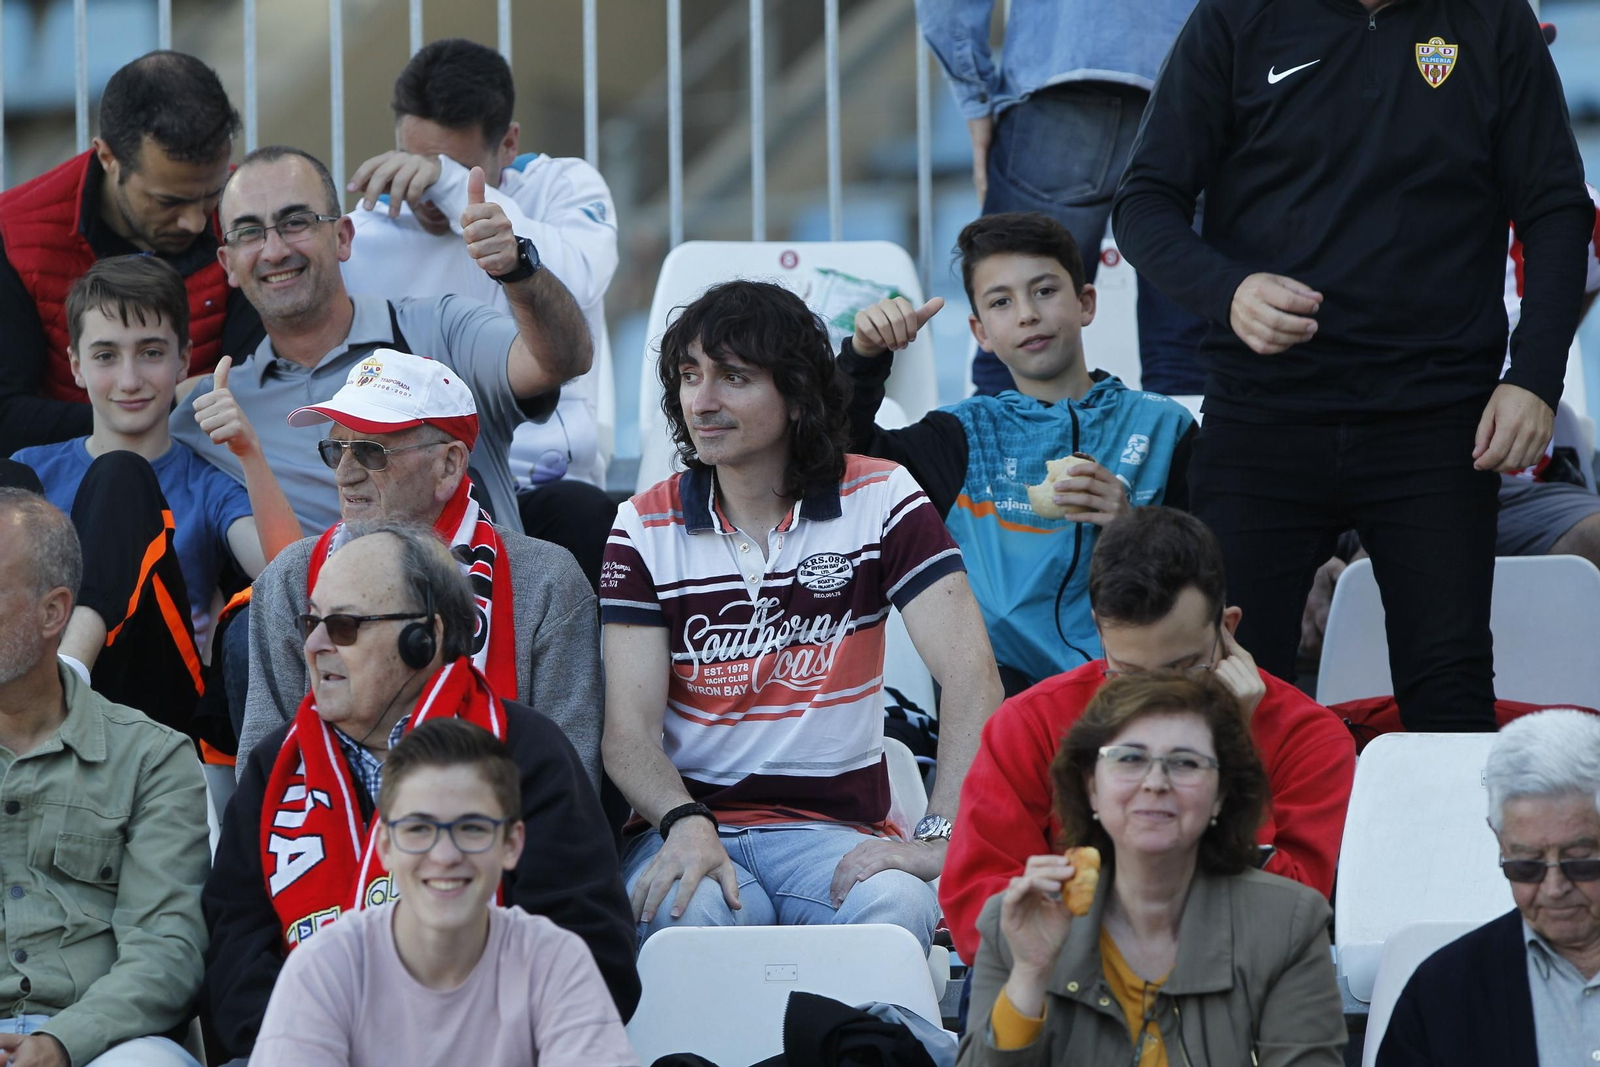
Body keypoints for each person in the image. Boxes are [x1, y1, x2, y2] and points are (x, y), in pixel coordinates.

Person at [1111, 0, 1596, 732]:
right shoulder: (1237, 16)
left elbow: (1558, 206)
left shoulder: (1491, 18)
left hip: (1435, 417)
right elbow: (1146, 200)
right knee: (1227, 689)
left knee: (1450, 691)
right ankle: (1249, 853)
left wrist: (1532, 377)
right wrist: (1229, 290)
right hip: (1263, 411)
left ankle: (1443, 851)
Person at [601, 280, 1005, 951]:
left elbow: (972, 677)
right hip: (691, 827)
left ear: (794, 396)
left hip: (835, 838)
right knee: (684, 914)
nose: (702, 400)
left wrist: (938, 836)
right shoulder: (642, 525)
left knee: (899, 908)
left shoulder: (881, 494)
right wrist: (683, 819)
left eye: (733, 377)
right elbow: (626, 733)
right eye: (690, 376)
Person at [204, 524, 638, 1065]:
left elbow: (596, 954)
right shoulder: (277, 765)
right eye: (311, 622)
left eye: (342, 626)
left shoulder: (524, 752)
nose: (313, 645)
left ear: (423, 638)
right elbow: (234, 948)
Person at [941, 505, 1355, 965]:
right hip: (1071, 985)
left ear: (1227, 627)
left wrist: (1232, 752)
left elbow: (1287, 920)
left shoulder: (1310, 737)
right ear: (1099, 633)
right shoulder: (1030, 723)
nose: (1160, 700)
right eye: (1130, 674)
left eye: (1183, 670)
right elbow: (978, 913)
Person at [841, 213, 1196, 692]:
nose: (1027, 313)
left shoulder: (1164, 427)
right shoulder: (960, 434)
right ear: (980, 331)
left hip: (1138, 687)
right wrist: (863, 358)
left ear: (1085, 302)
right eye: (1001, 302)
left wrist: (1133, 529)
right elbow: (836, 455)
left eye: (1045, 291)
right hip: (999, 698)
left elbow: (1208, 573)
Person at [168, 143, 593, 538]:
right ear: (227, 264)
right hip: (323, 616)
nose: (274, 250)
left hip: (481, 609)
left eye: (296, 222)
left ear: (343, 238)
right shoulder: (215, 411)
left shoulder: (439, 328)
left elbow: (563, 360)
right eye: (248, 232)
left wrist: (517, 268)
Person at [237, 349, 602, 788]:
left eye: (371, 452)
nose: (345, 475)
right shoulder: (290, 577)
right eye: (336, 449)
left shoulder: (546, 581)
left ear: (449, 465)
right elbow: (264, 781)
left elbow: (568, 790)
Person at [958, 672, 1346, 1066]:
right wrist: (1030, 973)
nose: (1156, 782)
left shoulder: (1288, 926)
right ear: (1092, 786)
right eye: (1130, 758)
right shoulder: (1019, 921)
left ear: (1220, 795)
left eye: (1185, 763)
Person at [344, 38, 620, 589]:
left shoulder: (560, 188)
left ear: (508, 143)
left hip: (553, 489)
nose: (424, 186)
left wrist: (457, 188)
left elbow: (582, 276)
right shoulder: (370, 231)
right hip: (428, 494)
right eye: (416, 159)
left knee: (585, 515)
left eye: (447, 165)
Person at [10, 256, 298, 733]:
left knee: (122, 477)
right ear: (76, 366)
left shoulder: (206, 479)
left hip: (153, 705)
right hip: (26, 675)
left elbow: (291, 576)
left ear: (183, 359)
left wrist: (250, 455)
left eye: (150, 353)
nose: (129, 380)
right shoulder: (31, 468)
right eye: (106, 356)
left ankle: (64, 684)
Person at [251, 718, 638, 1067]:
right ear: (384, 845)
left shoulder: (554, 962)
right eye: (419, 829)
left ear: (511, 843)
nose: (445, 855)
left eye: (472, 828)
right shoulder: (324, 970)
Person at [0, 489, 210, 1067]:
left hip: (103, 1042)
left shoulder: (152, 757)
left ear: (53, 612)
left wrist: (63, 1042)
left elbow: (168, 949)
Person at [915, 0, 1205, 397]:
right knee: (1187, 353)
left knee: (1013, 350)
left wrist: (975, 96)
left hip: (1064, 72)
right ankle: (1177, 460)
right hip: (1200, 80)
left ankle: (1012, 460)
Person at [0, 51, 259, 455]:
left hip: (218, 474)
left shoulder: (250, 215)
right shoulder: (14, 233)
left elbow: (267, 389)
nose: (195, 222)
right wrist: (161, 409)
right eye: (168, 201)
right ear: (108, 158)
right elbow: (5, 417)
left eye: (211, 194)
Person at [1377, 708, 1600, 1065]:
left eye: (1581, 862)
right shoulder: (1443, 991)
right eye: (1526, 865)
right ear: (1500, 842)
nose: (1555, 888)